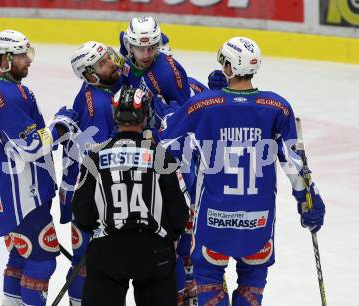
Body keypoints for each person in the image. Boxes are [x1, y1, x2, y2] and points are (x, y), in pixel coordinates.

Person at [158, 37, 326, 305]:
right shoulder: (277, 107)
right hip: (258, 222)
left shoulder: (203, 104)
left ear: (228, 67)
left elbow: (165, 140)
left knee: (208, 278)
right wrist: (309, 200)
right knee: (252, 284)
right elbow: (295, 165)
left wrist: (172, 113)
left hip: (213, 221)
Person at [0, 29, 76, 306]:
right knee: (41, 259)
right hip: (22, 194)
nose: (28, 61)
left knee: (21, 255)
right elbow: (30, 146)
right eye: (22, 56)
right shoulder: (6, 95)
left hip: (10, 191)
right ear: (5, 59)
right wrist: (59, 127)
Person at [71, 86, 190, 306]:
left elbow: (81, 211)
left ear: (115, 116)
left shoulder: (95, 156)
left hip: (107, 251)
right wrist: (169, 237)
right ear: (145, 116)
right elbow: (180, 210)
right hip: (154, 250)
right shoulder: (160, 156)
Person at [59, 41, 124, 305]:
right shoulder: (98, 105)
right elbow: (97, 160)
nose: (112, 63)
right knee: (86, 263)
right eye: (104, 63)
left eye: (108, 56)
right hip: (90, 196)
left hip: (86, 191)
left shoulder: (98, 88)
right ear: (90, 75)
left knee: (89, 262)